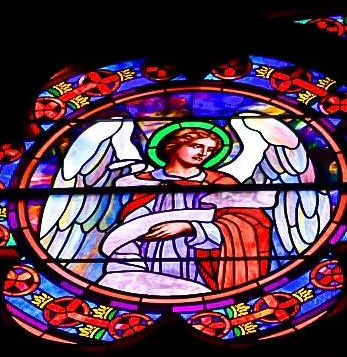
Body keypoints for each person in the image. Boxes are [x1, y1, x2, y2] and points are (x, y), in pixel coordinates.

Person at [102, 125, 278, 294]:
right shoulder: (143, 183)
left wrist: (191, 227)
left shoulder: (221, 183)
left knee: (197, 293)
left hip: (203, 263)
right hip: (150, 258)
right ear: (173, 145)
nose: (203, 153)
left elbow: (248, 224)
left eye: (210, 150)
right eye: (196, 146)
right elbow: (132, 227)